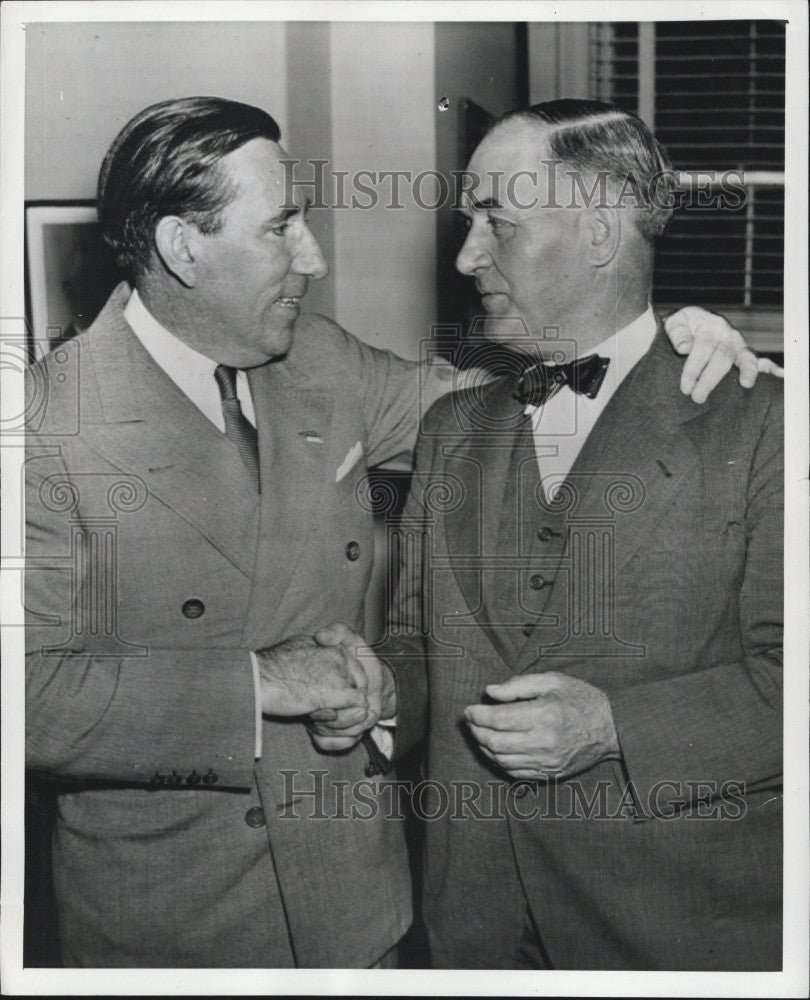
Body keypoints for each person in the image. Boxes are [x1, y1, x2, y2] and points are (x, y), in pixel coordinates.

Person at [24, 96, 772, 969]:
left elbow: (533, 399)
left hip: (365, 898)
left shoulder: (315, 361)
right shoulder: (41, 425)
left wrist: (688, 341)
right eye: (282, 228)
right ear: (184, 248)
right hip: (177, 915)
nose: (315, 255)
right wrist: (264, 683)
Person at [346, 100, 782, 969]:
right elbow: (419, 640)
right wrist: (375, 690)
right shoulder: (452, 428)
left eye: (495, 222)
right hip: (475, 925)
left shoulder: (764, 421)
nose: (466, 255)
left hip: (683, 934)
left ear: (597, 231)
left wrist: (617, 725)